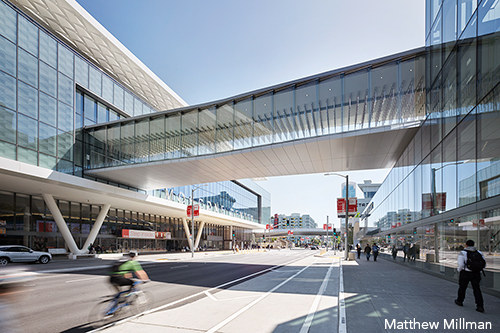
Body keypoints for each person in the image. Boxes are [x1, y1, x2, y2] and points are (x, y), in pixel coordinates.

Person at [455, 240, 485, 312]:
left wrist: (459, 270)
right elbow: (484, 263)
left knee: (462, 287)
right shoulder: (479, 253)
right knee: (477, 289)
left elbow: (461, 264)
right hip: (476, 273)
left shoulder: (463, 253)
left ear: (466, 245)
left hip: (465, 273)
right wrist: (479, 270)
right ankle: (480, 306)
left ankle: (460, 301)